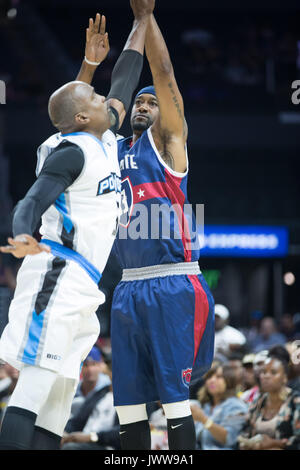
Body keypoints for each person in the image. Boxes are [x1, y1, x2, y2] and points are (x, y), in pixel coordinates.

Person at [0, 3, 153, 450]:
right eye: (94, 99)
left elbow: (123, 77)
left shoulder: (102, 137)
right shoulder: (71, 151)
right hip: (57, 274)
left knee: (58, 403)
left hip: (84, 282)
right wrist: (23, 235)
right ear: (83, 117)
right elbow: (32, 199)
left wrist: (141, 23)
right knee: (31, 391)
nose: (107, 98)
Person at [79, 4, 215, 451]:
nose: (144, 104)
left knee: (174, 404)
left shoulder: (170, 145)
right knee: (129, 405)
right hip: (127, 287)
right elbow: (91, 105)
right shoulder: (112, 150)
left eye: (151, 101)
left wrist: (147, 17)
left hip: (174, 283)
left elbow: (164, 72)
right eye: (139, 100)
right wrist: (98, 60)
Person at [238, 350, 300, 450]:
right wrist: (246, 444)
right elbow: (245, 433)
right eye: (263, 372)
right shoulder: (258, 401)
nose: (266, 376)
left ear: (284, 377)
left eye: (273, 372)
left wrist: (275, 443)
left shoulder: (296, 401)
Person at [61, 351, 120, 450]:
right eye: (111, 368)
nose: (114, 372)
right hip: (84, 441)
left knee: (70, 448)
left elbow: (124, 431)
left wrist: (92, 437)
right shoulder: (100, 393)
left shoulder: (132, 399)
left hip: (105, 445)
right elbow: (77, 420)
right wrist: (64, 433)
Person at [190, 363, 248, 450]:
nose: (212, 380)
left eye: (218, 377)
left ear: (229, 381)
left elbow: (229, 438)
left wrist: (203, 420)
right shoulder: (206, 406)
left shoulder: (236, 406)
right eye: (209, 377)